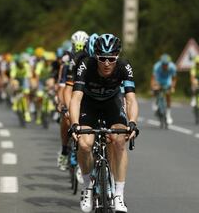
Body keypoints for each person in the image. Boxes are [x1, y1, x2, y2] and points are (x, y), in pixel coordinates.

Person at [69, 34, 139, 213]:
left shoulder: (124, 66)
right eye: (102, 58)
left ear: (117, 56)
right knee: (84, 145)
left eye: (111, 58)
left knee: (119, 141)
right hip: (89, 104)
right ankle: (87, 188)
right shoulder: (85, 65)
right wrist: (75, 124)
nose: (107, 63)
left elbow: (130, 99)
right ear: (95, 56)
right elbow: (76, 98)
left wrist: (132, 122)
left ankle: (119, 195)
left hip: (111, 103)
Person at [57, 31, 89, 171]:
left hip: (83, 91)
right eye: (77, 47)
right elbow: (63, 86)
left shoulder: (90, 58)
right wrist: (63, 104)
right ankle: (64, 150)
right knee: (66, 118)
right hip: (68, 88)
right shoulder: (67, 58)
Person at [150, 54, 177, 124]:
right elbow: (153, 79)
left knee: (168, 94)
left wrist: (173, 87)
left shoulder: (172, 67)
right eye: (164, 64)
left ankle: (168, 114)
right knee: (155, 91)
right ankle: (155, 103)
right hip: (158, 80)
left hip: (167, 81)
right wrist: (153, 87)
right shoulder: (157, 67)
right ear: (161, 63)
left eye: (167, 64)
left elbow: (174, 79)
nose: (165, 66)